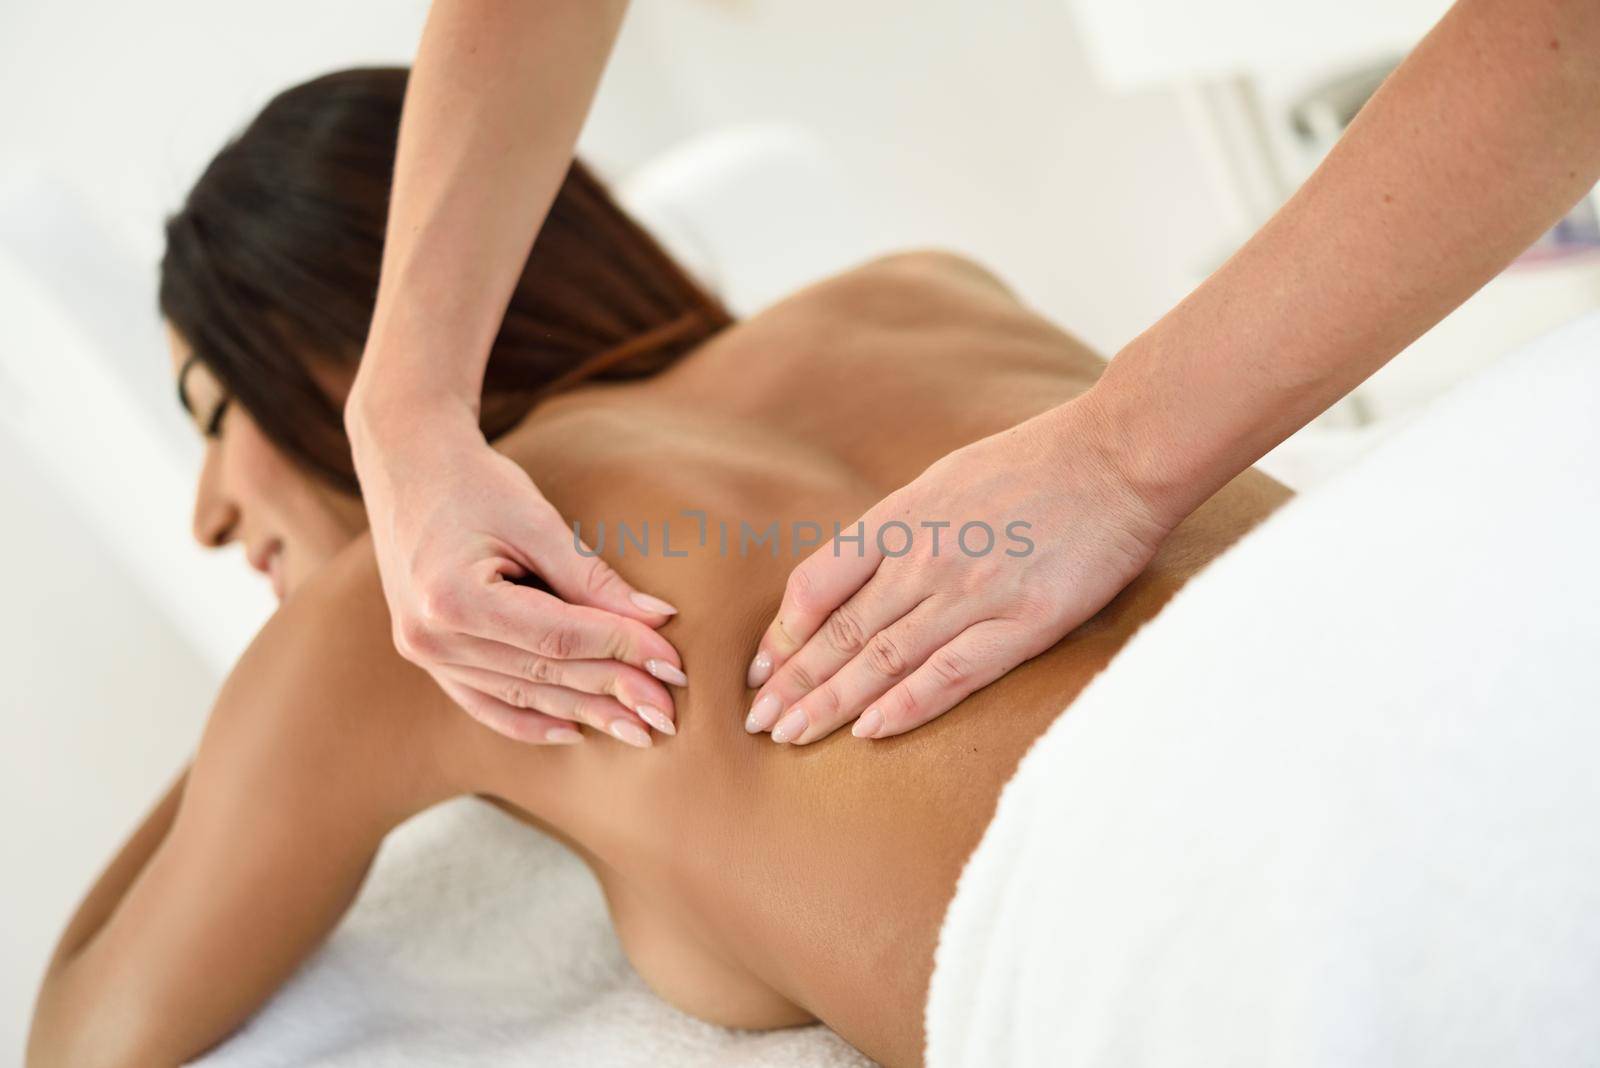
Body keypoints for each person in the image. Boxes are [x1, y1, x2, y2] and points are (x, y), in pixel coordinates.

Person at [25, 69, 1290, 1067]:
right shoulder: (922, 287)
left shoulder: (388, 627)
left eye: (210, 410)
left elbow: (84, 1032)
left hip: (1222, 988)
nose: (204, 512)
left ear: (319, 354)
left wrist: (287, 666)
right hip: (1414, 691)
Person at [349, 0, 1600, 748]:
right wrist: (401, 403)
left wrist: (1120, 454)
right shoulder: (916, 278)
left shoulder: (369, 647)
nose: (210, 517)